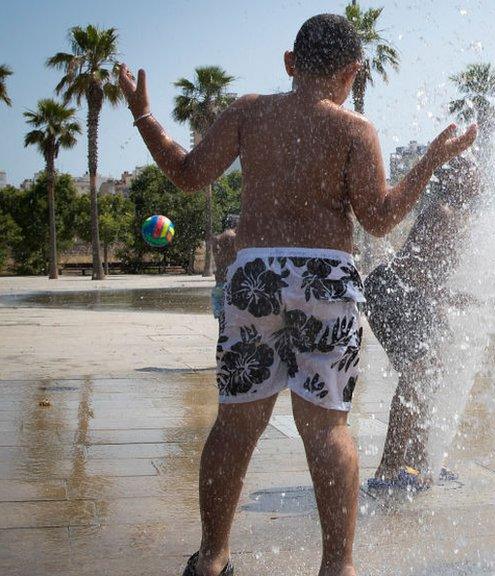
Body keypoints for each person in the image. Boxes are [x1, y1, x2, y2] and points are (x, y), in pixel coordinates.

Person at [117, 13, 476, 576]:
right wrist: (428, 163)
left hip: (255, 273)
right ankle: (338, 566)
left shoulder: (248, 112)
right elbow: (379, 219)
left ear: (289, 62)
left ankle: (212, 557)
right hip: (327, 279)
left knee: (234, 424)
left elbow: (187, 174)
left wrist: (143, 114)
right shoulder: (355, 131)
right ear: (354, 72)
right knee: (327, 428)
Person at [363, 155, 480, 491]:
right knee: (418, 373)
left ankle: (415, 463)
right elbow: (413, 269)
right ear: (453, 179)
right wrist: (448, 297)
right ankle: (388, 469)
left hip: (415, 297)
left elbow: (432, 273)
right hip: (392, 293)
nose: (476, 179)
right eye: (468, 172)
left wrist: (445, 302)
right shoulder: (443, 212)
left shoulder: (461, 217)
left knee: (432, 372)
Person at [211, 214, 239, 320]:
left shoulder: (217, 239)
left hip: (218, 284)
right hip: (231, 284)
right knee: (232, 321)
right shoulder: (234, 237)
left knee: (221, 320)